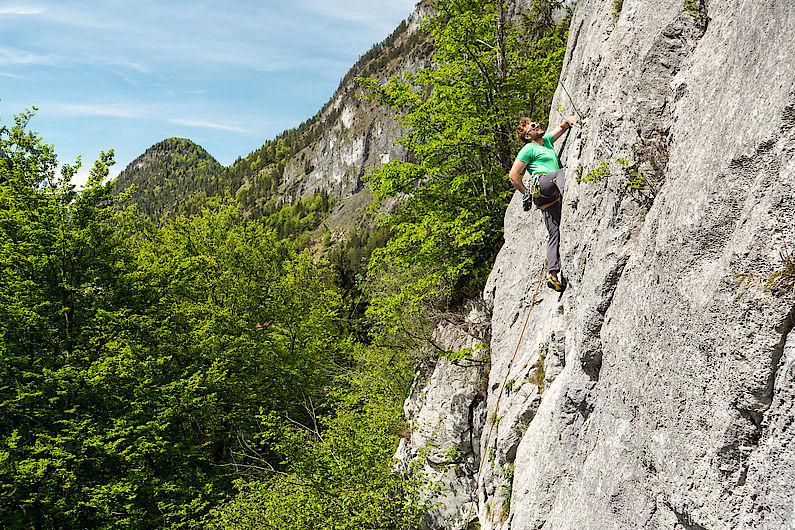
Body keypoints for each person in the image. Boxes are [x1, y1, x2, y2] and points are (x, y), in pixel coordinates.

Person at [508, 116, 576, 292]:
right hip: (544, 183)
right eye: (532, 126)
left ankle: (553, 275)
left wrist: (571, 120)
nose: (536, 125)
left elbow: (562, 126)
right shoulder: (528, 149)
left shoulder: (546, 141)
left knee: (554, 233)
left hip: (546, 197)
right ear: (528, 136)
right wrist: (526, 193)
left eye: (535, 123)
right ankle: (572, 196)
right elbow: (514, 176)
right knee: (561, 174)